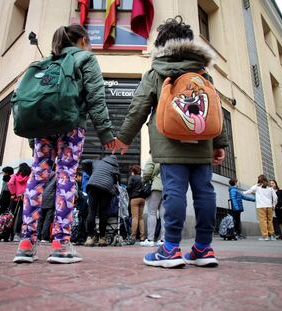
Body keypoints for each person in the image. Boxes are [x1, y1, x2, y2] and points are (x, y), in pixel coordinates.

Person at [112, 16, 228, 268]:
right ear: (189, 43)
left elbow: (138, 107)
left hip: (169, 143)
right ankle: (204, 248)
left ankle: (171, 248)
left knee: (173, 192)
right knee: (205, 192)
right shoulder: (202, 73)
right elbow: (215, 109)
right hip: (201, 141)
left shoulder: (156, 71)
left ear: (162, 44)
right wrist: (220, 143)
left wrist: (123, 138)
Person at [13, 24, 115, 264]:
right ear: (81, 41)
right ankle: (60, 244)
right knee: (66, 177)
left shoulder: (47, 61)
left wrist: (32, 136)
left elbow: (33, 102)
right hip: (71, 126)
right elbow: (96, 97)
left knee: (37, 178)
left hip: (43, 129)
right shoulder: (85, 58)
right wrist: (106, 133)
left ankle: (26, 243)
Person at [84, 155, 120, 247]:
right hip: (106, 189)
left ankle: (90, 238)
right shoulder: (115, 167)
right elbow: (117, 181)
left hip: (92, 186)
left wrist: (91, 173)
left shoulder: (97, 162)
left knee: (91, 212)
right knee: (103, 213)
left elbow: (84, 162)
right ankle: (102, 239)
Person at [243, 175, 278, 241]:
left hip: (261, 206)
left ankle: (265, 236)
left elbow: (250, 191)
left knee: (263, 221)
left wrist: (242, 193)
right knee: (270, 221)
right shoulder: (270, 187)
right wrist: (274, 205)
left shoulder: (257, 186)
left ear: (259, 180)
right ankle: (272, 236)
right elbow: (275, 197)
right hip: (269, 206)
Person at [141, 155, 165, 247]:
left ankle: (150, 239)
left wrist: (145, 180)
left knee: (152, 212)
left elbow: (147, 172)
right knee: (164, 215)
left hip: (156, 186)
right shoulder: (168, 156)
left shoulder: (154, 157)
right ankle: (163, 239)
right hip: (167, 187)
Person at [8, 163, 31, 241]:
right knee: (22, 216)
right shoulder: (29, 176)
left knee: (12, 215)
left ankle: (9, 234)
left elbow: (10, 183)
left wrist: (13, 193)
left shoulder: (15, 175)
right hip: (25, 197)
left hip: (16, 197)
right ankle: (17, 235)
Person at [127, 165, 145, 244]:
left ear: (133, 171)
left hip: (134, 199)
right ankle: (142, 237)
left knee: (135, 218)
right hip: (142, 199)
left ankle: (133, 237)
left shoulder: (132, 178)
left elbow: (129, 187)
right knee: (141, 218)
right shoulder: (142, 178)